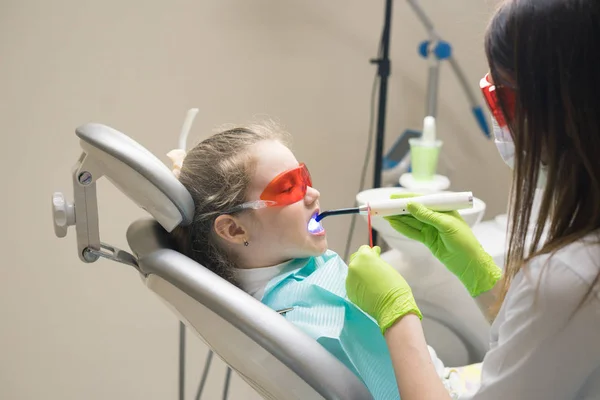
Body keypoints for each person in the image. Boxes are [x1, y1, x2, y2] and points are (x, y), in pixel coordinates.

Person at [346, 0, 600, 399]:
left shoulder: (572, 278)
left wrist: (396, 316)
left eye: (497, 97)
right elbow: (546, 346)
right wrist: (484, 281)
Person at [167, 121, 468, 399]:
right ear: (234, 229)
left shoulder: (299, 267)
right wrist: (398, 313)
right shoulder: (301, 324)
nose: (312, 193)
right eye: (288, 187)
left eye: (304, 177)